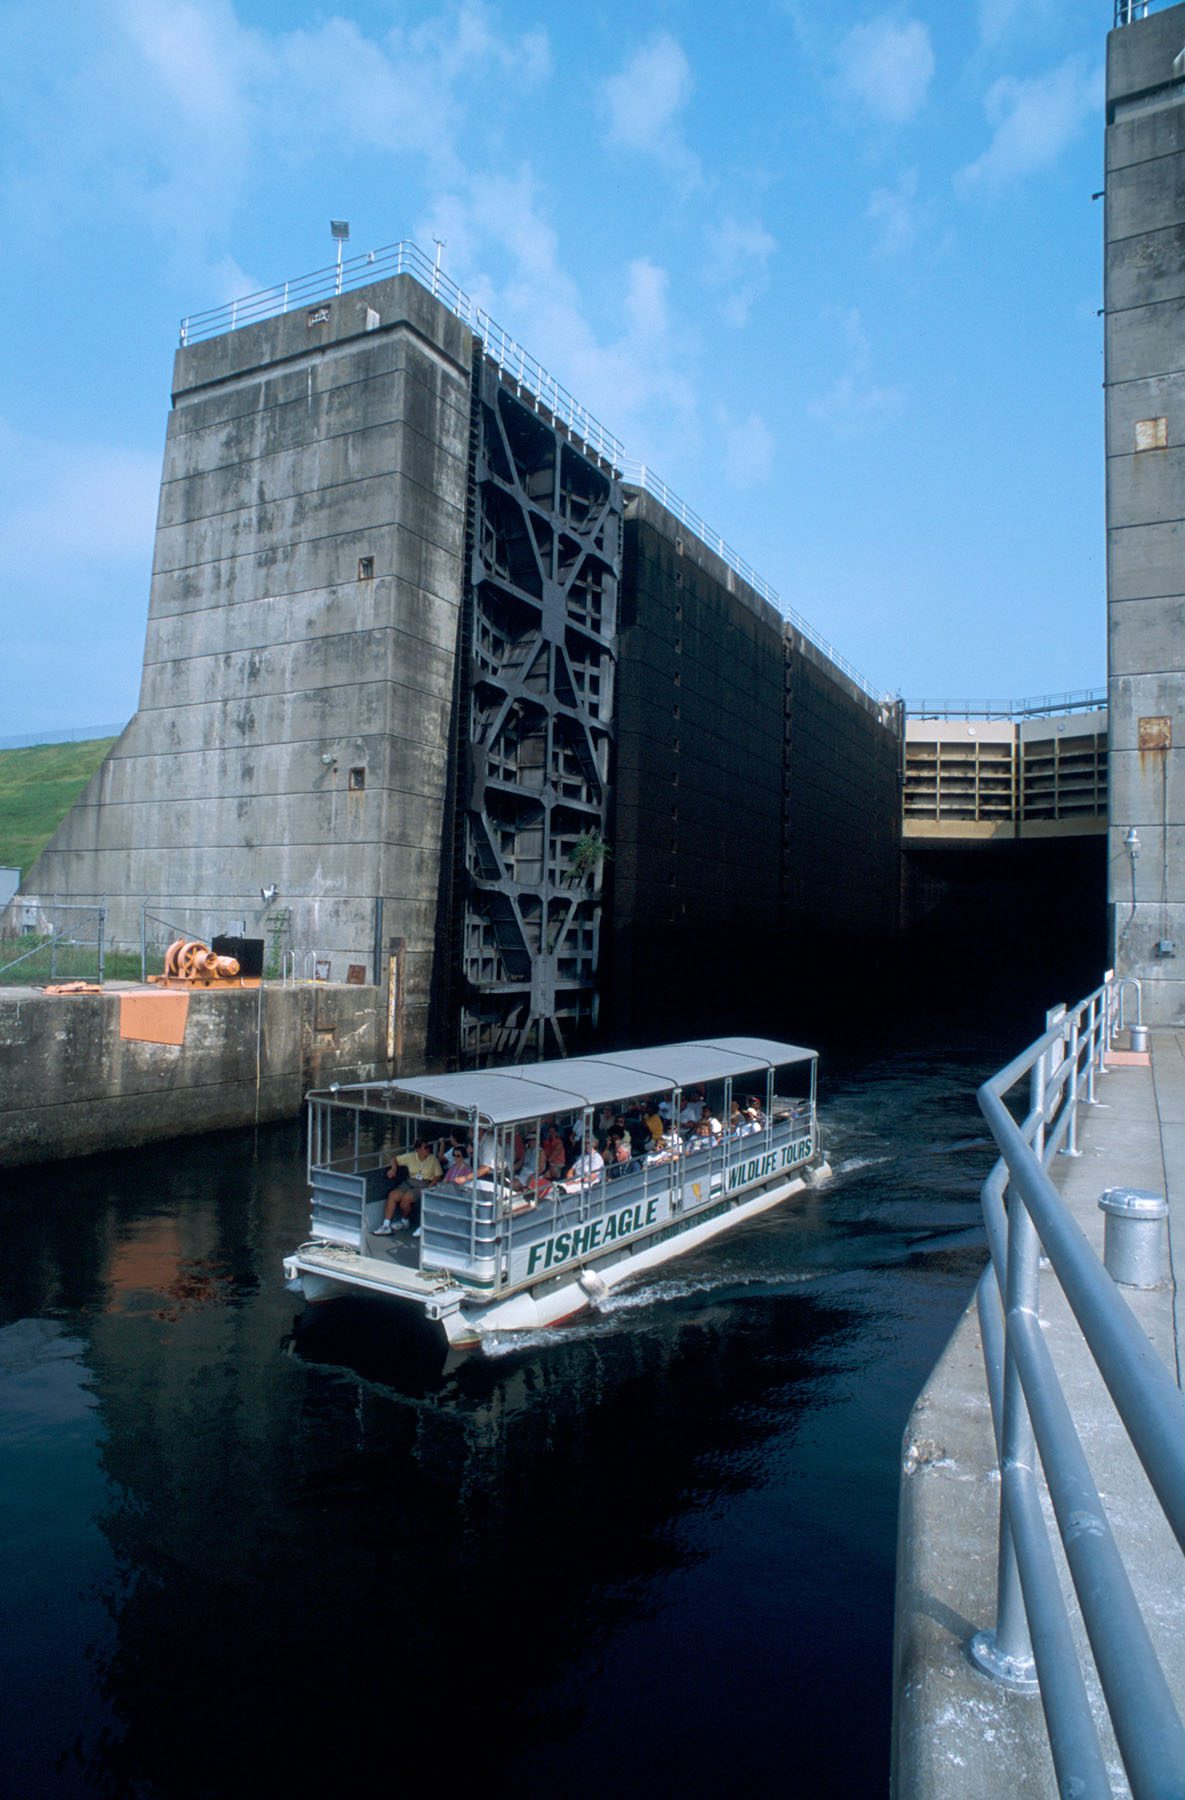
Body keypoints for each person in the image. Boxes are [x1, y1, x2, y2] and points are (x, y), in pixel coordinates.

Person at [376, 1138, 443, 1234]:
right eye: (425, 1147)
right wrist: (394, 1169)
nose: (428, 1149)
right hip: (410, 1182)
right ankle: (386, 1225)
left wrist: (429, 1187)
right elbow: (394, 1159)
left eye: (429, 1147)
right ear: (418, 1149)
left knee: (406, 1198)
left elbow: (438, 1176)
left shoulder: (433, 1159)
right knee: (393, 1195)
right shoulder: (411, 1156)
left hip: (423, 1184)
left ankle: (405, 1220)